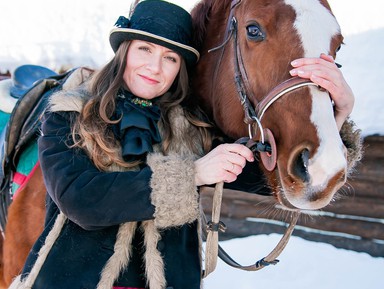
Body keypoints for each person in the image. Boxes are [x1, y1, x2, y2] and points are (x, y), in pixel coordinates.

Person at [9, 1, 355, 289]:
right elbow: (80, 200)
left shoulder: (192, 130)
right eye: (145, 49)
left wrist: (337, 116)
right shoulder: (69, 114)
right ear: (124, 51)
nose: (155, 67)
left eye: (171, 58)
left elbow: (276, 173)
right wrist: (193, 173)